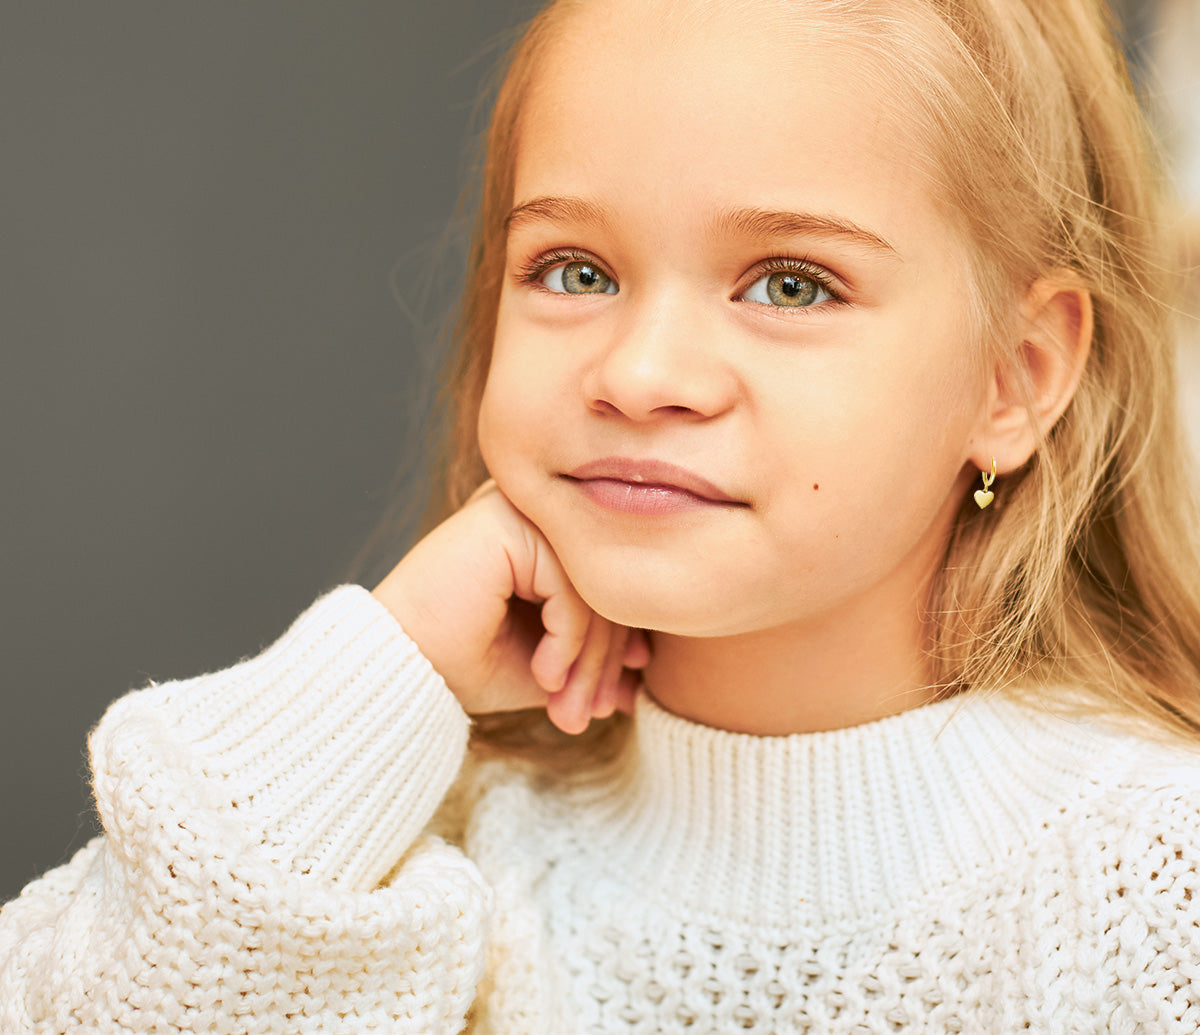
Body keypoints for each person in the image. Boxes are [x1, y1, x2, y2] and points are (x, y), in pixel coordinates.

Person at [3, 0, 1200, 1030]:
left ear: (1018, 377)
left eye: (790, 284)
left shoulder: (1153, 886)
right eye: (575, 271)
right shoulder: (392, 860)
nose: (639, 373)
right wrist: (386, 678)